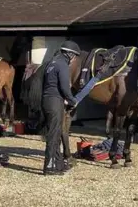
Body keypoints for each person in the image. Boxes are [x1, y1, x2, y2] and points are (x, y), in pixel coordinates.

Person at [41, 40, 80, 176]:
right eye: (74, 56)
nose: (74, 59)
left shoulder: (51, 63)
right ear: (69, 54)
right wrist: (72, 100)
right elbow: (64, 87)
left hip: (47, 100)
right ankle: (49, 167)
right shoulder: (62, 65)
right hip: (55, 102)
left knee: (56, 134)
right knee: (53, 135)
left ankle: (58, 164)